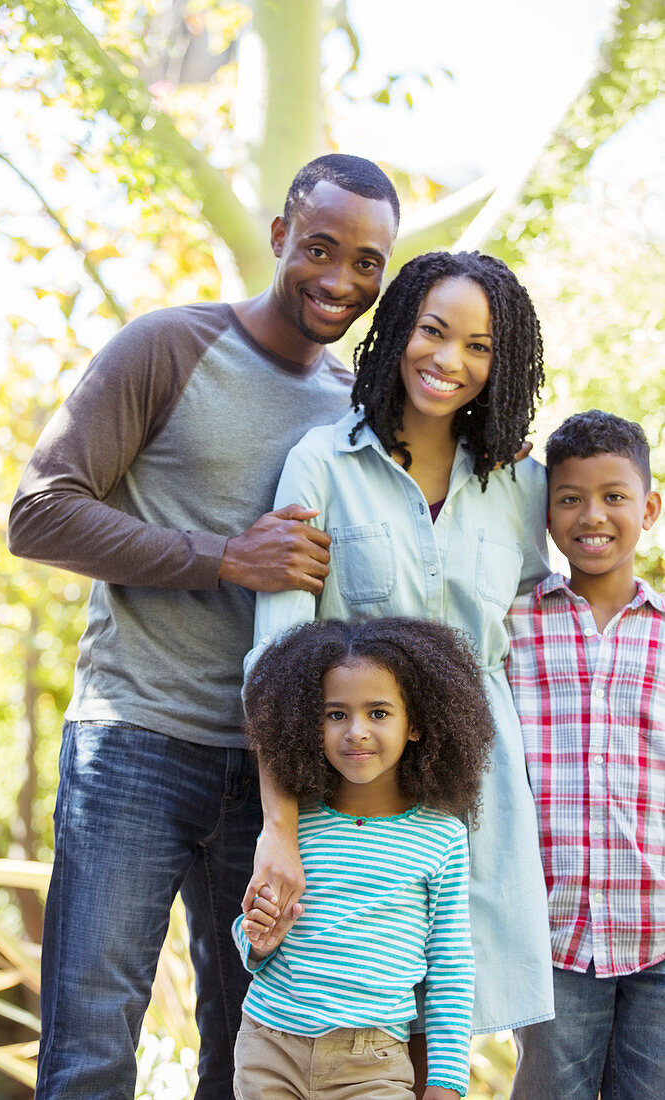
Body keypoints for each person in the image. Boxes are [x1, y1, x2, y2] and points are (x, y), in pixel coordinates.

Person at [6, 154, 399, 1100]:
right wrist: (224, 555)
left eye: (366, 263)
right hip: (134, 742)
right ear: (278, 237)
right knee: (92, 1048)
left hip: (274, 777)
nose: (340, 280)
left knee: (249, 1054)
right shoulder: (166, 347)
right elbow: (39, 512)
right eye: (319, 248)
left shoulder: (354, 407)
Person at [244, 251, 556, 1075]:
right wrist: (279, 829)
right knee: (346, 1022)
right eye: (432, 331)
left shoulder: (520, 485)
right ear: (398, 331)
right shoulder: (320, 463)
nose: (450, 361)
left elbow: (543, 622)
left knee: (447, 1031)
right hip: (351, 801)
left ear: (503, 363)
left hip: (476, 797)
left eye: (480, 346)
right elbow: (273, 663)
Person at [234, 616, 494, 1099]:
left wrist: (447, 1081)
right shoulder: (294, 826)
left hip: (372, 1062)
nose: (356, 731)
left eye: (378, 713)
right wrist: (257, 939)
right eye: (336, 714)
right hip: (269, 1046)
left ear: (415, 725)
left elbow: (450, 966)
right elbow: (252, 932)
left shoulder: (441, 838)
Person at [505, 409, 664, 1100]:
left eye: (612, 496)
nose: (590, 515)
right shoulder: (510, 626)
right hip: (550, 939)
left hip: (658, 934)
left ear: (649, 508)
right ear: (544, 514)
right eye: (568, 498)